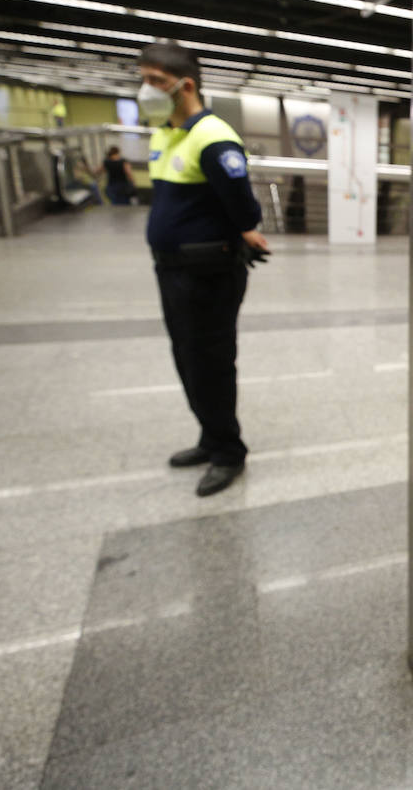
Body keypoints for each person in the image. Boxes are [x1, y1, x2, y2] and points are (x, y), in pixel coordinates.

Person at [137, 41, 271, 497]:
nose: (145, 89)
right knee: (187, 359)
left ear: (185, 84)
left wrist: (243, 232)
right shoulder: (164, 134)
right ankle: (210, 436)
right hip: (172, 271)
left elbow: (243, 208)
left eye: (154, 80)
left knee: (211, 363)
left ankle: (229, 452)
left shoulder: (214, 138)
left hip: (208, 273)